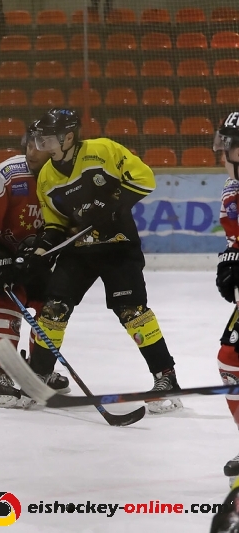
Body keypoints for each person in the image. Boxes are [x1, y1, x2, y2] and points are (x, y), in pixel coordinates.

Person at [16, 107, 182, 415]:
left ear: (68, 137)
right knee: (54, 308)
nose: (42, 144)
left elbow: (145, 179)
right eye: (40, 138)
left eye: (49, 138)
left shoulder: (103, 150)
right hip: (79, 253)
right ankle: (40, 376)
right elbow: (55, 226)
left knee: (132, 311)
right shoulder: (46, 177)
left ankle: (166, 377)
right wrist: (39, 253)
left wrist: (112, 207)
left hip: (118, 246)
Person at [0, 121, 69, 407]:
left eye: (40, 146)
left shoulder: (66, 177)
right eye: (29, 144)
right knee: (9, 303)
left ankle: (39, 372)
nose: (32, 152)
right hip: (3, 254)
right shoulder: (8, 173)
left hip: (41, 257)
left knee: (51, 309)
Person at [213, 112, 239, 483]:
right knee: (230, 359)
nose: (224, 153)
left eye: (230, 145)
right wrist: (231, 259)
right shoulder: (232, 191)